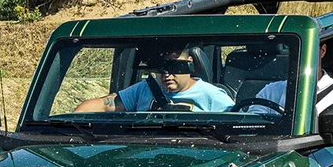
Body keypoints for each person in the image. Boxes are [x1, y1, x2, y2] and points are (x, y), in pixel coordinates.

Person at [75, 46, 234, 113]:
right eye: (159, 68)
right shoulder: (143, 89)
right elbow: (102, 105)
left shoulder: (213, 96)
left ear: (189, 63)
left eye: (174, 66)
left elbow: (238, 128)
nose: (166, 74)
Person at [248, 40, 333, 115]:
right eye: (293, 48)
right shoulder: (270, 91)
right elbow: (252, 131)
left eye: (307, 48)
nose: (299, 54)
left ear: (322, 51)